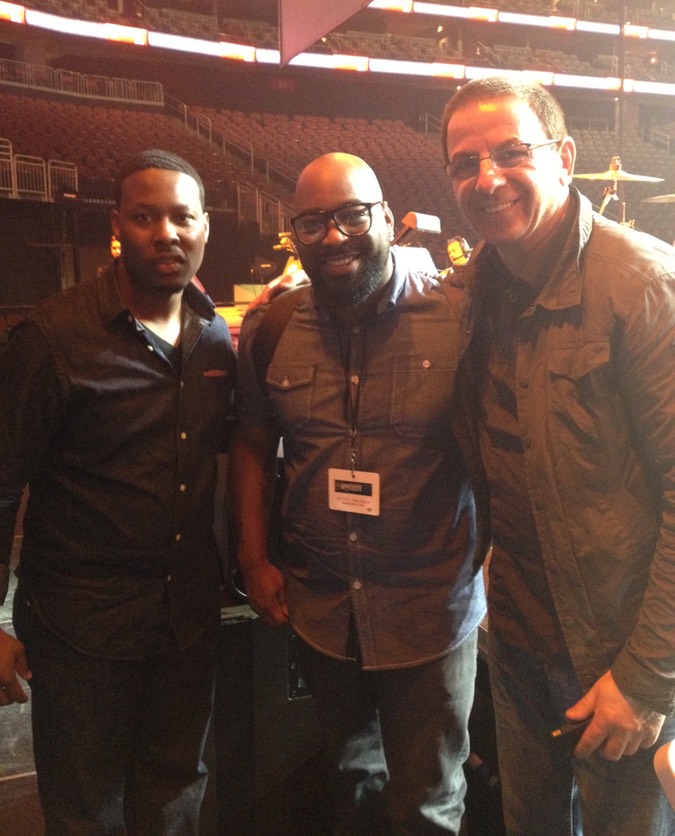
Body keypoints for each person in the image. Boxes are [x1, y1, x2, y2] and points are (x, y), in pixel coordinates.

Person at [440, 74, 675, 835]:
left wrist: (644, 680)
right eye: (464, 162)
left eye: (511, 152)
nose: (486, 178)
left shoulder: (641, 284)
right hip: (515, 642)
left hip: (617, 658)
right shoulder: (475, 288)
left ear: (564, 156)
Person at [228, 152, 485, 835]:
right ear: (292, 234)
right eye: (312, 223)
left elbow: (496, 452)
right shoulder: (272, 327)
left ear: (384, 217)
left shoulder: (458, 315)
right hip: (322, 604)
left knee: (428, 800)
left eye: (351, 216)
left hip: (430, 608)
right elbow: (252, 444)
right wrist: (255, 562)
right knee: (350, 777)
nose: (334, 237)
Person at [0, 149, 236, 835]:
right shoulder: (52, 337)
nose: (166, 233)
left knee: (177, 790)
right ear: (117, 227)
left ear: (204, 229)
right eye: (145, 216)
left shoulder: (213, 336)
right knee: (85, 806)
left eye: (182, 217)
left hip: (186, 617)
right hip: (82, 625)